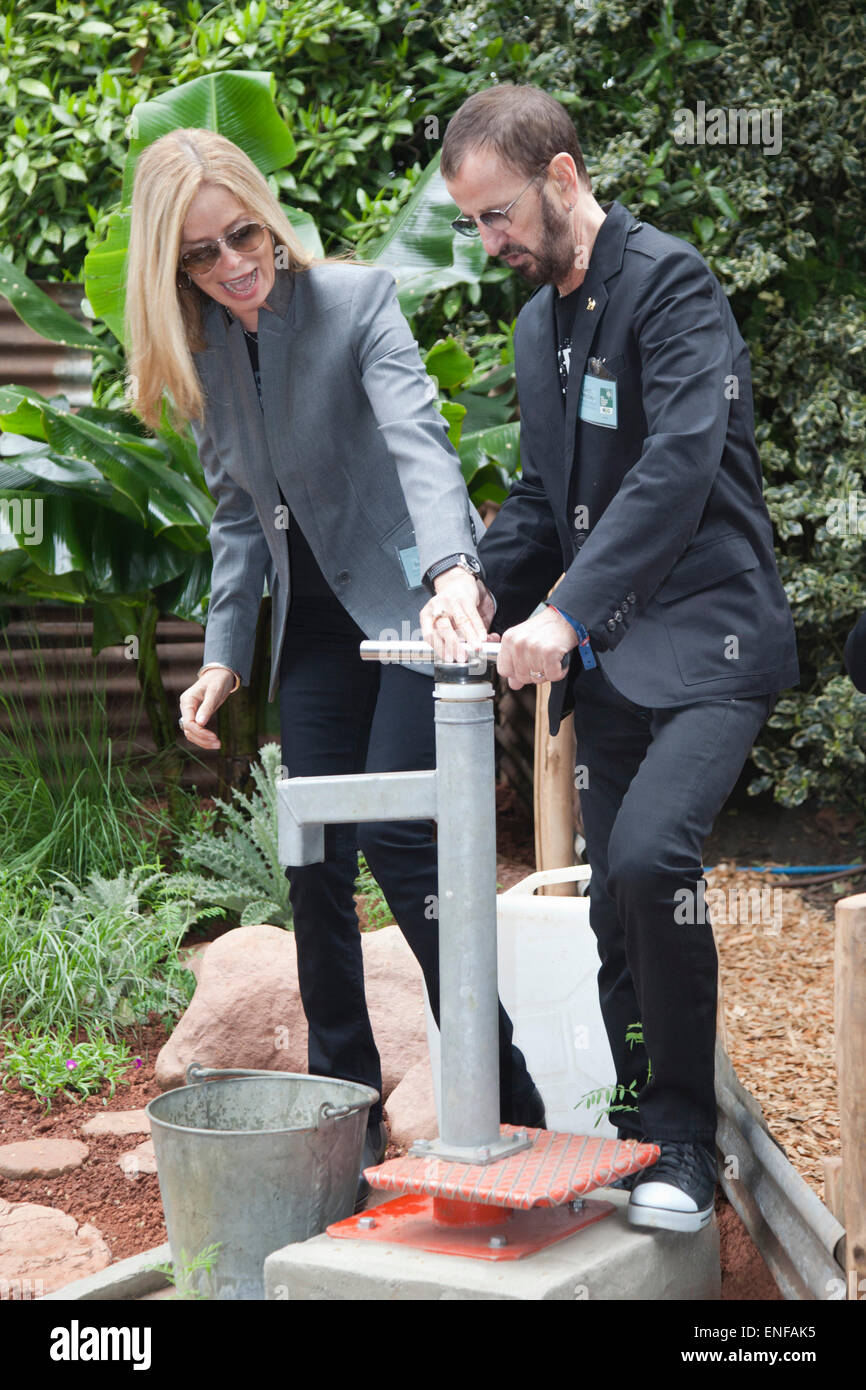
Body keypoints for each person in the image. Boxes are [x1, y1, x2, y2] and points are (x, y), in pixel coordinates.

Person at [125, 128, 545, 1204]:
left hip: (411, 607)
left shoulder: (356, 300)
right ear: (174, 270)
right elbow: (233, 513)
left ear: (267, 214)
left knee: (406, 837)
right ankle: (346, 1113)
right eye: (201, 255)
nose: (231, 264)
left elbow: (418, 440)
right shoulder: (208, 348)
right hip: (310, 628)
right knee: (310, 855)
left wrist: (456, 571)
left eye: (242, 234)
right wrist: (221, 654)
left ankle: (509, 1093)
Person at [422, 84, 800, 1233]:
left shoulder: (669, 284)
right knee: (609, 913)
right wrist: (484, 582)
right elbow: (545, 492)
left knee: (645, 863)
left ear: (564, 175)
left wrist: (566, 613)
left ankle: (686, 1145)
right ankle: (648, 1130)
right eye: (473, 225)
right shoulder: (537, 325)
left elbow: (676, 466)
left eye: (499, 217)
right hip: (610, 667)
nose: (490, 244)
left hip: (708, 641)